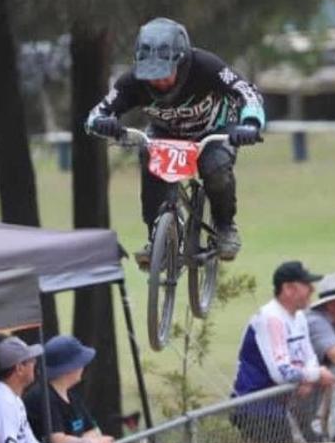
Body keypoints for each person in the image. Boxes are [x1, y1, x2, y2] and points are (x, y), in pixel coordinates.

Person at [85, 17, 266, 266]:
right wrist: (103, 122)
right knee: (148, 157)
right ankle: (157, 236)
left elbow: (246, 91)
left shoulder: (207, 66)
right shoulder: (131, 82)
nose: (157, 82)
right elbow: (98, 112)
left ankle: (225, 226)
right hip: (166, 133)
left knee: (215, 166)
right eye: (151, 74)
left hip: (215, 128)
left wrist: (250, 124)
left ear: (181, 63)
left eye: (164, 73)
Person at [229, 261, 335, 443]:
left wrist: (308, 376)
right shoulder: (271, 318)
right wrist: (316, 375)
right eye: (306, 285)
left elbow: (308, 356)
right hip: (255, 406)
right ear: (288, 288)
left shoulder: (300, 317)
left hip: (279, 406)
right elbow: (281, 372)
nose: (312, 289)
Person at [0, 336, 76, 443]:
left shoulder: (10, 397)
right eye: (31, 360)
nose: (35, 363)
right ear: (19, 368)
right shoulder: (1, 402)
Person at [25, 335, 114, 443]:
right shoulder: (43, 397)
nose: (83, 367)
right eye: (81, 362)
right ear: (70, 368)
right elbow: (57, 440)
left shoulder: (72, 396)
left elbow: (94, 431)